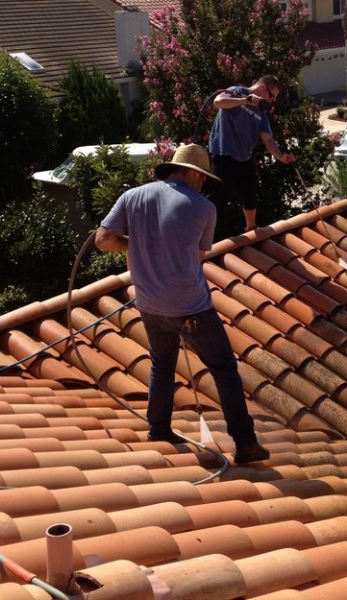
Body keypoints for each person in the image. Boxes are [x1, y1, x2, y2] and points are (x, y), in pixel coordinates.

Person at [94, 143, 270, 465]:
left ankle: (158, 429)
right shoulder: (203, 207)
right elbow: (197, 258)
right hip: (191, 307)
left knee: (162, 365)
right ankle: (245, 443)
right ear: (192, 174)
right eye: (202, 179)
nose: (202, 185)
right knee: (224, 368)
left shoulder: (131, 197)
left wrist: (136, 245)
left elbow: (103, 239)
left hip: (148, 305)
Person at [207, 74, 296, 230]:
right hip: (223, 154)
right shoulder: (236, 91)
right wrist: (244, 100)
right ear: (262, 87)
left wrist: (281, 157)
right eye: (270, 96)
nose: (270, 100)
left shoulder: (261, 112)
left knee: (250, 193)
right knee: (217, 199)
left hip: (244, 157)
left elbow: (268, 140)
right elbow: (218, 102)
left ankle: (251, 228)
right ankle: (202, 239)